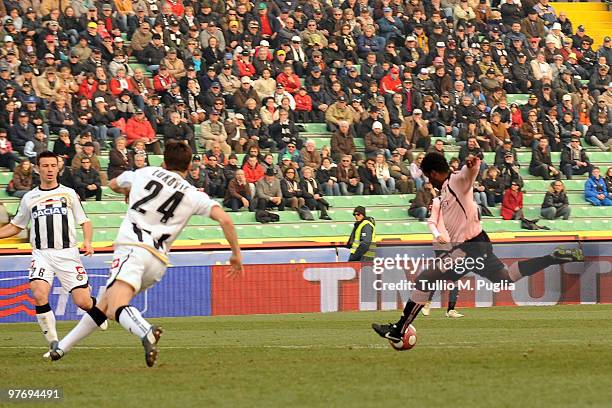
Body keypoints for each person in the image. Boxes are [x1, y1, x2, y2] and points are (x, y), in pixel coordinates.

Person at [47, 142, 243, 366]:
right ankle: (61, 348)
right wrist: (236, 254)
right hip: (158, 262)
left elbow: (112, 184)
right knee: (104, 305)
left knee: (116, 306)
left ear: (164, 161)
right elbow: (226, 219)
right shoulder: (192, 193)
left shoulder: (145, 173)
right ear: (189, 166)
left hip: (134, 248)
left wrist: (128, 190)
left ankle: (145, 331)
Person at [372, 152, 583, 346]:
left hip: (470, 246)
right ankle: (553, 257)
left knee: (426, 278)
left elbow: (468, 174)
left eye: (428, 176)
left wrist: (472, 165)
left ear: (434, 173)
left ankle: (399, 330)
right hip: (477, 243)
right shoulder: (445, 190)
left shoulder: (456, 180)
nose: (429, 181)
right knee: (505, 277)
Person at [0, 151, 105, 354]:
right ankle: (54, 343)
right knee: (39, 294)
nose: (49, 169)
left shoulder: (69, 193)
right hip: (41, 254)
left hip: (67, 254)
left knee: (83, 302)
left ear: (59, 168)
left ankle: (95, 309)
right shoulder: (30, 197)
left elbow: (85, 221)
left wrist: (88, 242)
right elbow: (15, 226)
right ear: (38, 169)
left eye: (52, 165)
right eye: (45, 166)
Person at [421, 196, 463, 319]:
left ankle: (450, 309)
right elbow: (431, 222)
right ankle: (427, 303)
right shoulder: (437, 201)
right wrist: (438, 235)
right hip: (441, 245)